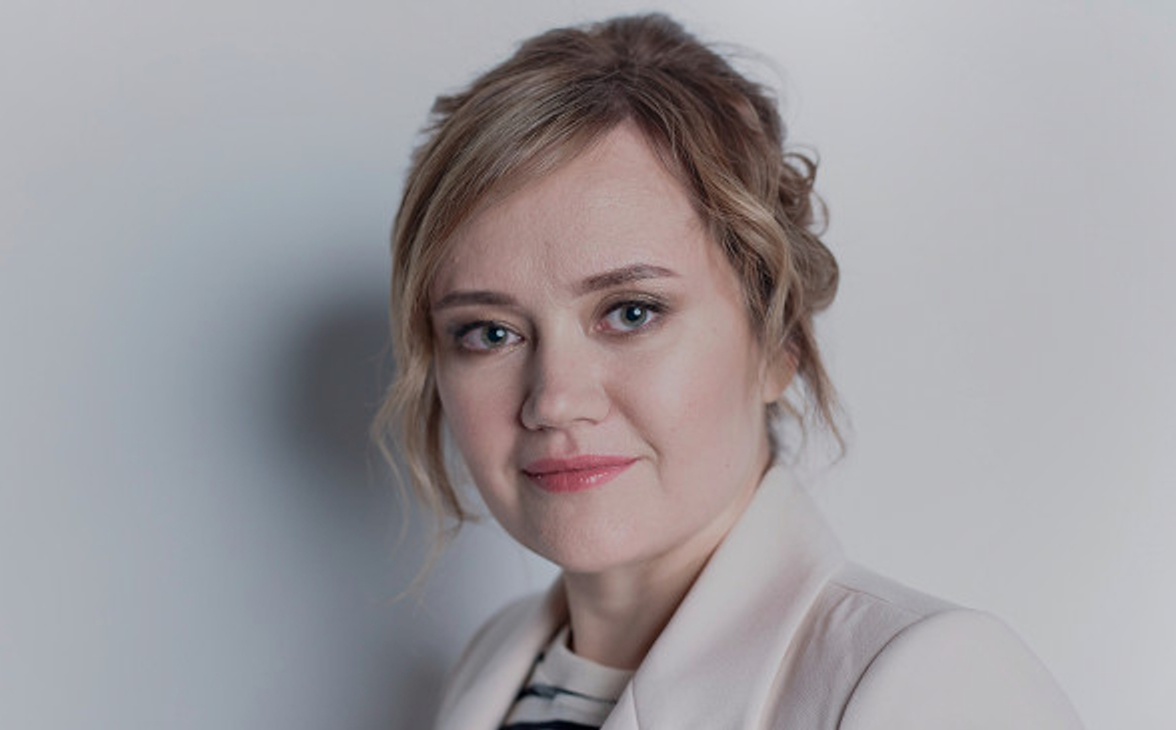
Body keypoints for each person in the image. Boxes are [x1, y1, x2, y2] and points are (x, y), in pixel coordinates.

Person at [374, 13, 1084, 730]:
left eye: (631, 313)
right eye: (490, 332)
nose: (555, 400)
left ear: (779, 342)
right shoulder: (492, 664)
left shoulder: (931, 683)